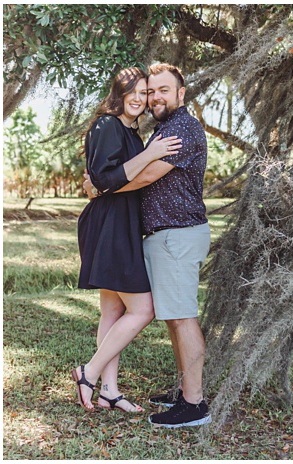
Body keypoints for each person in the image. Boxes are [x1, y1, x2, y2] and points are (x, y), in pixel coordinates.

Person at [84, 63, 211, 428]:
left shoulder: (182, 129)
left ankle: (194, 404)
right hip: (163, 236)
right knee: (174, 316)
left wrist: (100, 186)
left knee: (182, 316)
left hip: (177, 234)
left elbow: (144, 177)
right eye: (149, 91)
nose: (153, 97)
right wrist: (101, 183)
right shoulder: (161, 130)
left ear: (181, 94)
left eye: (161, 91)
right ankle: (186, 389)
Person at [70, 67, 181, 413]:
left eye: (144, 92)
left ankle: (109, 391)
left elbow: (102, 180)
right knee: (143, 309)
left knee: (113, 310)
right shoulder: (107, 124)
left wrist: (143, 154)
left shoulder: (130, 130)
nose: (138, 97)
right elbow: (105, 178)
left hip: (122, 222)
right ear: (118, 93)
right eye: (131, 90)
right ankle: (88, 373)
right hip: (110, 225)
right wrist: (150, 154)